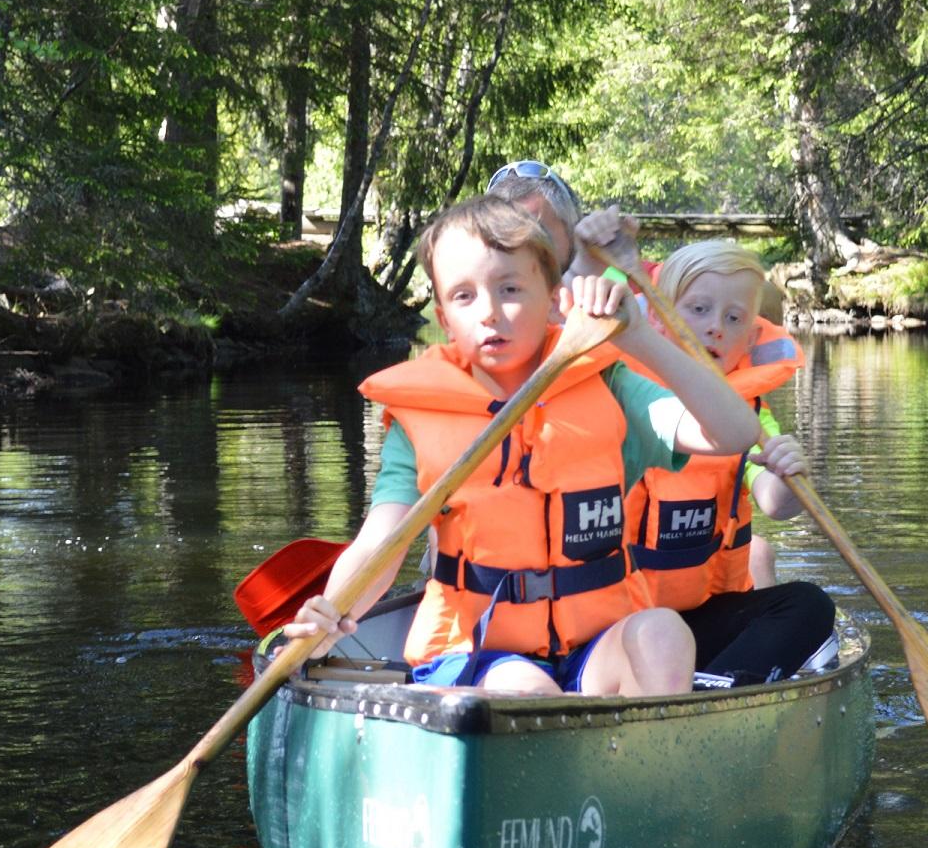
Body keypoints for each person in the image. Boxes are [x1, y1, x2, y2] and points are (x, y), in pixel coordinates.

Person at [284, 197, 762, 697]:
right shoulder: (419, 419)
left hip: (594, 646)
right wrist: (331, 610)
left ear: (554, 300)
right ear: (444, 317)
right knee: (526, 689)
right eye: (464, 296)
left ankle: (638, 741)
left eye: (510, 289)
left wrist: (638, 337)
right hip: (477, 653)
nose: (490, 312)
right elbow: (381, 543)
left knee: (663, 632)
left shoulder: (610, 388)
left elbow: (733, 432)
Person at [627, 239, 835, 684]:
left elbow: (776, 503)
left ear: (751, 338)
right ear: (659, 320)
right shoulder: (625, 395)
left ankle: (715, 688)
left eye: (733, 318)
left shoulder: (751, 415)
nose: (715, 328)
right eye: (698, 310)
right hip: (622, 622)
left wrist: (790, 471)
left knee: (810, 605)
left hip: (703, 617)